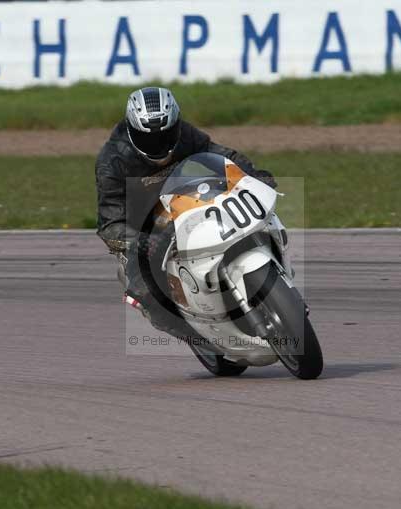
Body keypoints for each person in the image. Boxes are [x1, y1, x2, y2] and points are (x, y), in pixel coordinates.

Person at [95, 86, 276, 335]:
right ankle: (187, 330)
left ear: (176, 124)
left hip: (183, 203)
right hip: (140, 225)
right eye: (150, 138)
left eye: (165, 134)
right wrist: (141, 241)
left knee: (253, 218)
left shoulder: (184, 134)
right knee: (144, 285)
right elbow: (110, 222)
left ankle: (274, 270)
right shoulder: (112, 161)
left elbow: (221, 155)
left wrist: (252, 175)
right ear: (132, 130)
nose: (159, 143)